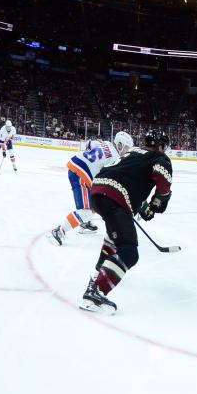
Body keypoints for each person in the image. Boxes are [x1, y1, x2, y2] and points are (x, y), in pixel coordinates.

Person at [78, 131, 173, 315]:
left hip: (99, 191)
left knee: (113, 242)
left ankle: (97, 278)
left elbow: (128, 179)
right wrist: (157, 205)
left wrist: (141, 206)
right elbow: (163, 184)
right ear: (161, 146)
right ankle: (95, 293)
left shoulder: (134, 152)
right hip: (114, 198)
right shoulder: (159, 157)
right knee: (129, 251)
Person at [46, 132, 133, 246]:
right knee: (85, 212)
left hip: (78, 167)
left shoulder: (106, 143)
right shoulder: (115, 159)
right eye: (126, 148)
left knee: (95, 201)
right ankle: (58, 231)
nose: (126, 151)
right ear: (120, 145)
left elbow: (90, 144)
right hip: (81, 175)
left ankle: (84, 223)